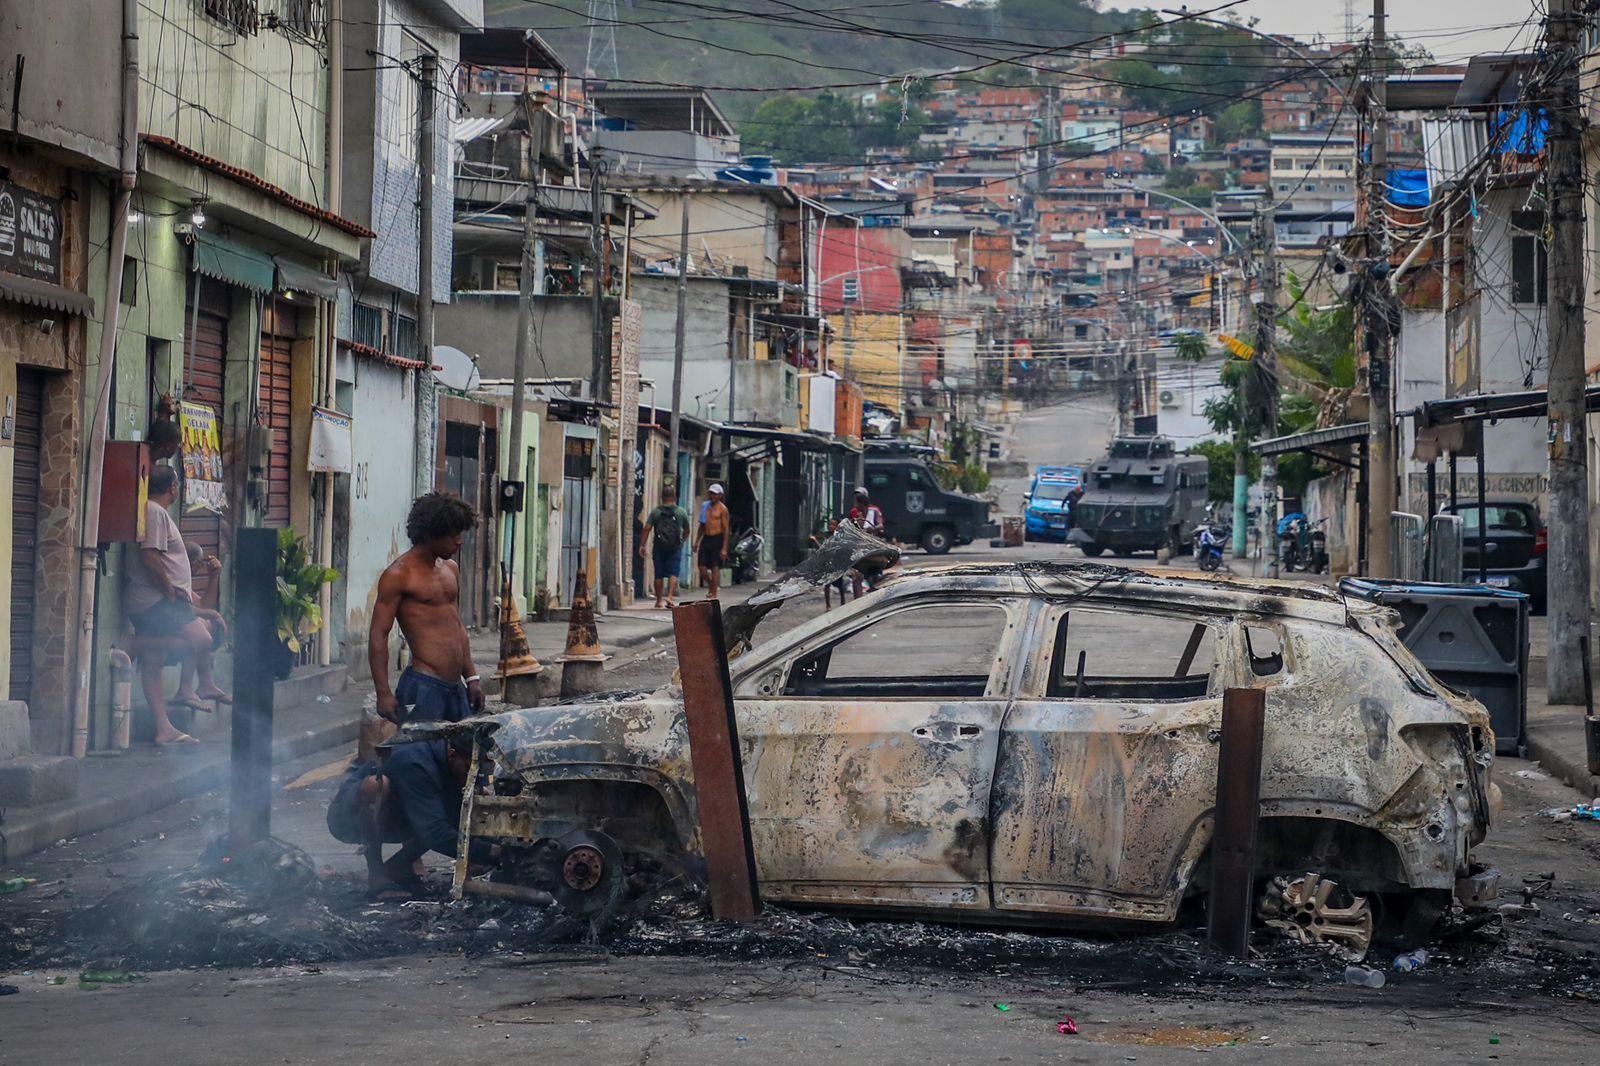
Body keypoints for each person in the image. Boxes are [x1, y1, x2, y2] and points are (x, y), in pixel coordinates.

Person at [327, 735, 503, 898]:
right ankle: (377, 874)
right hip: (347, 818)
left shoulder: (449, 758)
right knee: (376, 786)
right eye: (467, 770)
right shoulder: (415, 763)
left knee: (462, 799)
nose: (470, 777)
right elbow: (434, 833)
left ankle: (398, 866)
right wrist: (490, 852)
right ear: (452, 755)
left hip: (403, 810)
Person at [125, 466, 226, 746]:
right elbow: (150, 555)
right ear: (173, 488)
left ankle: (164, 728)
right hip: (157, 600)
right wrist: (169, 589)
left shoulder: (156, 512)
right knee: (201, 639)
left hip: (157, 599)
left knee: (154, 661)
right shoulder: (154, 511)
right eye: (178, 486)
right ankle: (133, 644)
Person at [369, 492, 486, 725]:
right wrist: (383, 692)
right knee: (420, 748)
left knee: (463, 748)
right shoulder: (399, 575)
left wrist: (471, 677)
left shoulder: (450, 569)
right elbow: (378, 635)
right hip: (424, 687)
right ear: (433, 532)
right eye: (452, 534)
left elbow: (457, 627)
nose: (459, 541)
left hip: (455, 688)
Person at [169, 542, 231, 713]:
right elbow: (180, 608)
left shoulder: (183, 580)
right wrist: (211, 615)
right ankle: (185, 689)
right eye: (200, 563)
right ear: (192, 563)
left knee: (205, 623)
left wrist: (214, 577)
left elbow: (203, 606)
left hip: (177, 625)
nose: (201, 567)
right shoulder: (172, 575)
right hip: (159, 627)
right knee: (200, 628)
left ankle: (206, 684)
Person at [638, 485, 690, 608]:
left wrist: (642, 545)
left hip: (659, 546)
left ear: (662, 497)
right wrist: (682, 541)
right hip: (675, 547)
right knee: (674, 573)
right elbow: (687, 530)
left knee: (659, 574)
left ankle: (659, 600)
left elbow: (647, 528)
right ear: (674, 496)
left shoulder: (656, 512)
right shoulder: (681, 512)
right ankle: (670, 597)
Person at [694, 483, 730, 601]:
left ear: (720, 495)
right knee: (701, 566)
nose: (713, 496)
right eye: (711, 493)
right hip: (706, 538)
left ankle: (713, 592)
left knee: (715, 566)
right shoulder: (705, 506)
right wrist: (696, 541)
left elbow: (726, 529)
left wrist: (724, 548)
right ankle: (711, 585)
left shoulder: (722, 509)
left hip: (717, 538)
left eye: (715, 494)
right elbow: (702, 525)